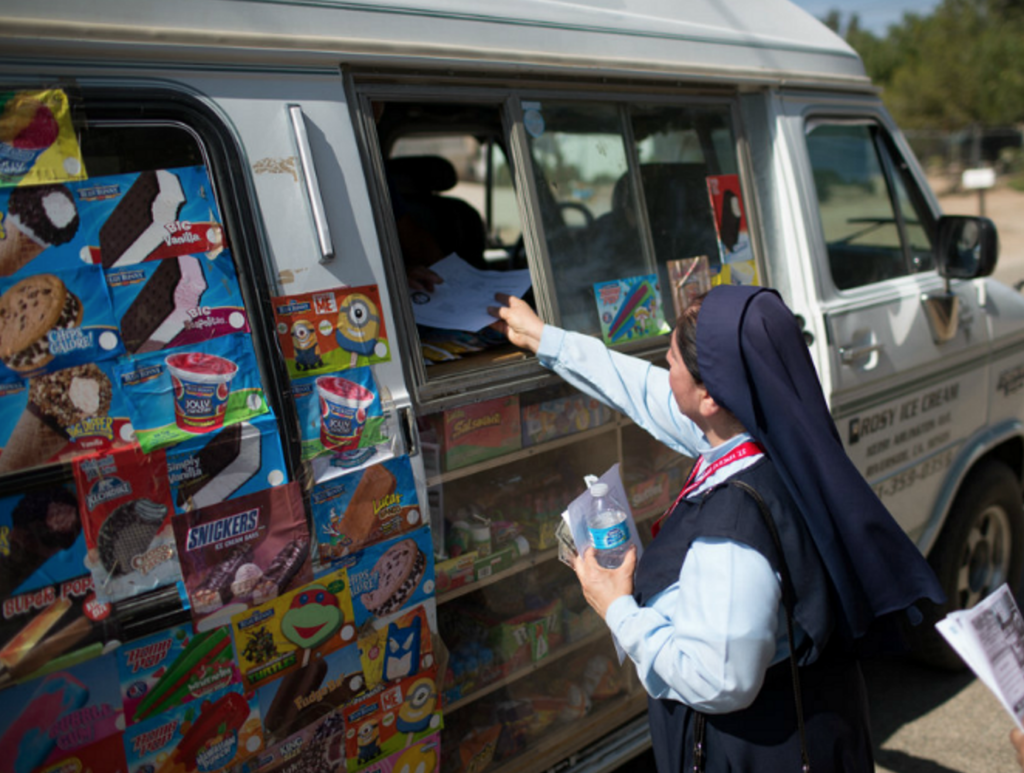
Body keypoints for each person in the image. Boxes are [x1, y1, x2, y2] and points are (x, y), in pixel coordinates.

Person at [489, 286, 945, 773]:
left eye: (673, 364)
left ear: (709, 395)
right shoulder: (780, 436)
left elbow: (718, 679)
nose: (666, 376)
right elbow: (640, 389)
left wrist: (616, 607)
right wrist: (546, 339)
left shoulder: (733, 531)